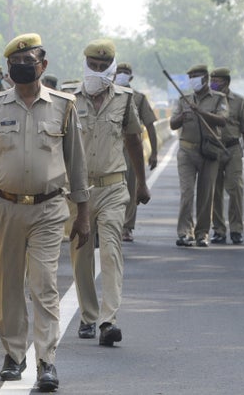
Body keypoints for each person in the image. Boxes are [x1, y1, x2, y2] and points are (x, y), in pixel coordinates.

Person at [0, 33, 90, 392]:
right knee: (8, 284)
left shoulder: (64, 106)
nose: (21, 69)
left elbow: (77, 163)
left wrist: (83, 212)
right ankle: (14, 354)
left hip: (49, 208)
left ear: (42, 66)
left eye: (27, 63)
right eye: (15, 65)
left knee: (44, 284)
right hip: (3, 207)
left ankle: (47, 360)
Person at [69, 40, 150, 347]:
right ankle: (88, 316)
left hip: (115, 186)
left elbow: (133, 141)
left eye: (104, 67)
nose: (98, 72)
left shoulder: (125, 100)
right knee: (81, 254)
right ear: (85, 65)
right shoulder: (68, 100)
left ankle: (108, 320)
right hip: (79, 191)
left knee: (112, 250)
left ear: (113, 69)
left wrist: (141, 182)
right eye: (94, 66)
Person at [169, 64, 228, 248]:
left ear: (205, 79)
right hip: (187, 151)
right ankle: (184, 232)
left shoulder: (219, 99)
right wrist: (183, 116)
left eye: (196, 76)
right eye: (191, 76)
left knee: (206, 195)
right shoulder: (183, 99)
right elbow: (172, 124)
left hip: (209, 151)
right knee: (187, 192)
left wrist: (200, 112)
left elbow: (223, 120)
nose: (193, 79)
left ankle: (202, 233)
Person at [209, 68, 244, 245]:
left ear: (226, 82)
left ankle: (236, 229)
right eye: (211, 79)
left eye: (217, 80)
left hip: (233, 149)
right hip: (213, 149)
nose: (213, 83)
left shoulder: (239, 102)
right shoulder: (209, 100)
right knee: (215, 191)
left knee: (235, 188)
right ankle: (219, 230)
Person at [114, 62, 158, 242]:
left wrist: (154, 152)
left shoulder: (138, 98)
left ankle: (127, 226)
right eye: (120, 72)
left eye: (126, 72)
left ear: (131, 77)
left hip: (131, 146)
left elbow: (150, 125)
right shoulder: (106, 94)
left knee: (131, 188)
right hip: (111, 146)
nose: (122, 75)